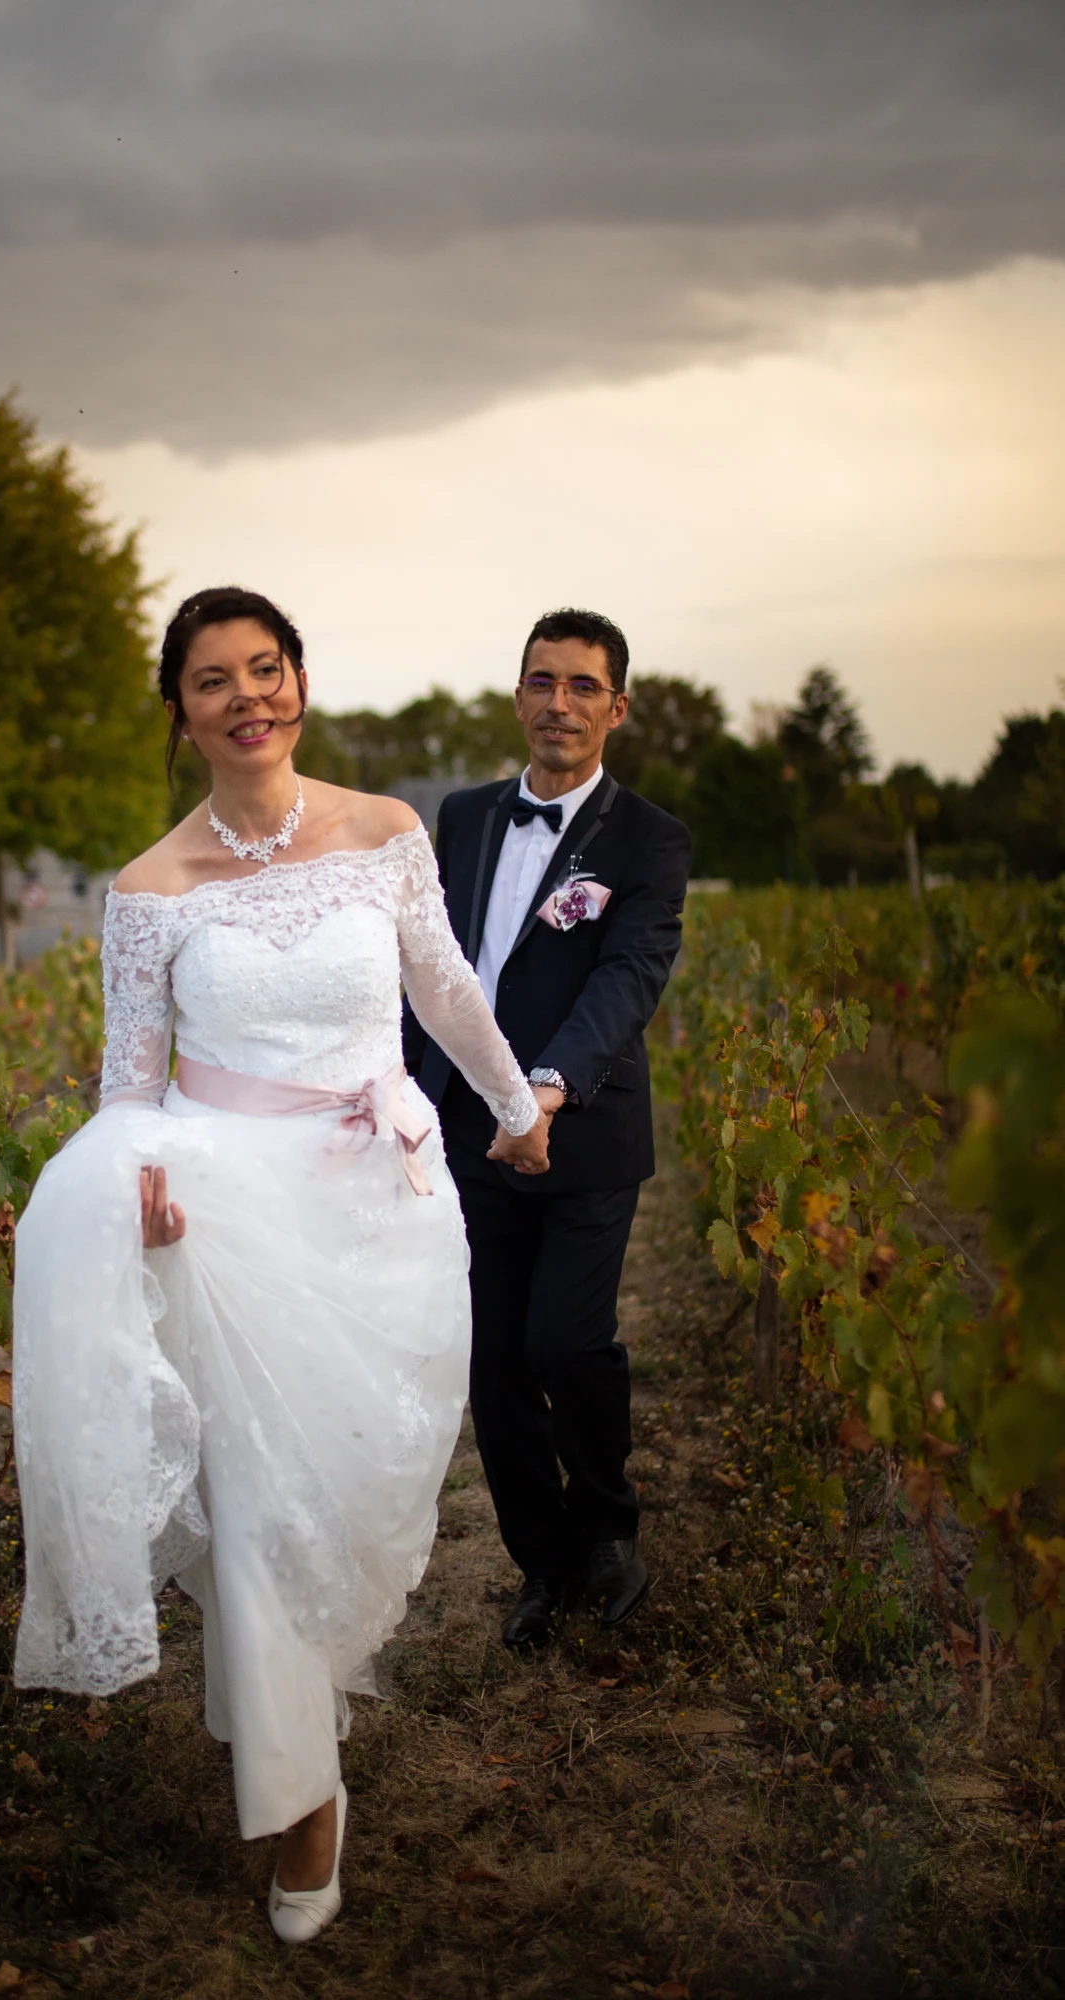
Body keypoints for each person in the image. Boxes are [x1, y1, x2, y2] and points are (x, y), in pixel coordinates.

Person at [10, 586, 550, 1945]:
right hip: (230, 1225)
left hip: (382, 1210)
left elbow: (442, 989)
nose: (248, 695)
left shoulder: (383, 834)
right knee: (254, 1510)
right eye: (213, 679)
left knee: (346, 1492)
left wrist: (513, 1104)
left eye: (267, 667)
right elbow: (129, 1083)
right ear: (181, 712)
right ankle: (302, 1795)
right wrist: (139, 1189)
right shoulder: (148, 891)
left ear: (298, 682)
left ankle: (308, 1702)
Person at [402, 608, 692, 1651]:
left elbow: (626, 978)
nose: (557, 702)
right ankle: (544, 1562)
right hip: (463, 1130)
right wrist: (399, 1090)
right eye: (540, 681)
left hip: (580, 1131)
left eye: (580, 685)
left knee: (564, 1342)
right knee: (490, 1362)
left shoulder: (649, 840)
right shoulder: (465, 815)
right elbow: (431, 967)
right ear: (517, 696)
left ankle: (609, 1527)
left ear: (615, 706)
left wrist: (546, 1092)